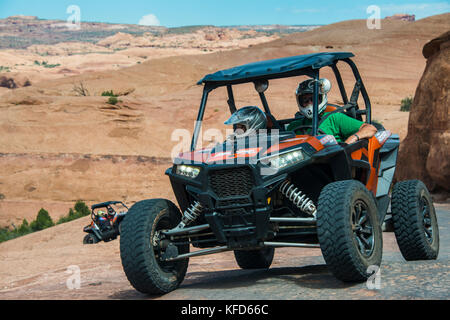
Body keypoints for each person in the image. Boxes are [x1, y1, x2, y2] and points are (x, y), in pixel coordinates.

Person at [287, 78, 377, 144]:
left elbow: (371, 129)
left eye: (314, 99)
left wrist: (351, 140)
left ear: (321, 98)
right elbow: (278, 144)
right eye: (305, 100)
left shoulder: (334, 118)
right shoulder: (294, 126)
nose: (310, 103)